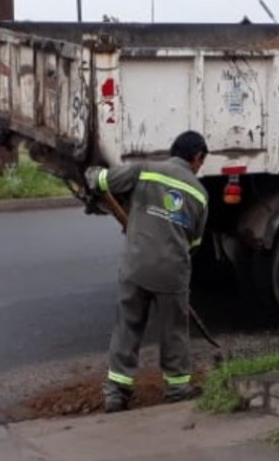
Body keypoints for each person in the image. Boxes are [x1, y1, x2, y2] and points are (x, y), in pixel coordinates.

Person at [85, 131, 209, 413]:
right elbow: (195, 242)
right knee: (174, 331)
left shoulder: (146, 171)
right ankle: (177, 389)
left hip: (136, 266)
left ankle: (116, 393)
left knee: (127, 327)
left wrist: (92, 173)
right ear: (197, 158)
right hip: (172, 274)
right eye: (202, 162)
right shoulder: (200, 195)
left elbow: (104, 181)